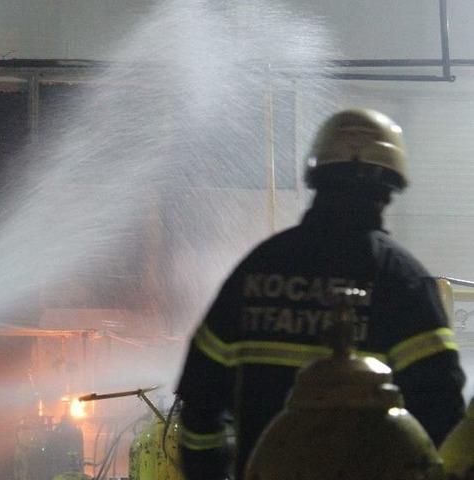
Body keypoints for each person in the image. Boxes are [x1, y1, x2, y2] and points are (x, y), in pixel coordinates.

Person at [176, 109, 466, 480]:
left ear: (318, 179)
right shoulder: (403, 283)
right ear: (389, 190)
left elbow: (200, 405)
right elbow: (444, 421)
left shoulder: (255, 271)